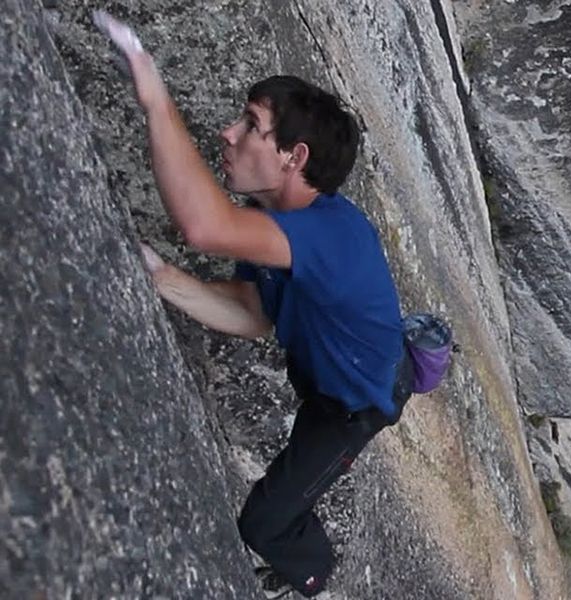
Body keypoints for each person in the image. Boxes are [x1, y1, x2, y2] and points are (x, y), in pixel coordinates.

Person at [94, 12, 409, 599]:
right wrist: (160, 278)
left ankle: (312, 580)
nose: (228, 132)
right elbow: (252, 313)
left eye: (250, 125)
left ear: (293, 156)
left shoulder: (331, 234)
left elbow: (203, 225)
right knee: (274, 506)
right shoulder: (274, 226)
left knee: (263, 521)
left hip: (357, 404)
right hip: (327, 380)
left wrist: (156, 97)